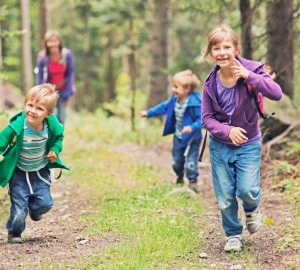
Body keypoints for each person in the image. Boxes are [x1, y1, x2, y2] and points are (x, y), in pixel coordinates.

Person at [201, 24, 282, 252]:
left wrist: (250, 77)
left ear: (236, 49)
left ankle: (252, 207)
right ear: (210, 53)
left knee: (246, 189)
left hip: (248, 142)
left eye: (226, 46)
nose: (222, 52)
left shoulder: (253, 69)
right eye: (216, 48)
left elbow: (275, 93)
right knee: (225, 196)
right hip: (220, 145)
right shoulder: (210, 84)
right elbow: (206, 119)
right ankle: (233, 235)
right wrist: (227, 131)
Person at [0, 84, 70, 244]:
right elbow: (1, 141)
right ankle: (14, 233)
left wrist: (55, 150)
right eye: (30, 105)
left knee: (45, 204)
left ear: (48, 113)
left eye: (39, 108)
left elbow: (59, 137)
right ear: (25, 104)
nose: (33, 110)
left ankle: (35, 209)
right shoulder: (17, 127)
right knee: (19, 209)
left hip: (40, 171)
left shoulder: (51, 127)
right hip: (18, 173)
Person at [140, 70, 203, 192]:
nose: (173, 89)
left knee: (191, 163)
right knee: (176, 162)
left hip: (192, 138)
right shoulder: (174, 100)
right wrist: (149, 113)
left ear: (187, 88)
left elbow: (203, 120)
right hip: (178, 137)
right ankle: (179, 175)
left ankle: (193, 183)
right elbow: (163, 107)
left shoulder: (196, 103)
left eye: (176, 87)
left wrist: (192, 127)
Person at [35, 30, 75, 124]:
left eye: (55, 41)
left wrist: (67, 95)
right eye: (50, 41)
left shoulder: (67, 54)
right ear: (46, 43)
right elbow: (40, 77)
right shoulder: (42, 57)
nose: (53, 44)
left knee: (62, 118)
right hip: (50, 92)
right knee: (52, 117)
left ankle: (59, 138)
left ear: (59, 41)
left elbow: (70, 74)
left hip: (64, 90)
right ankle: (50, 138)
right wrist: (40, 94)